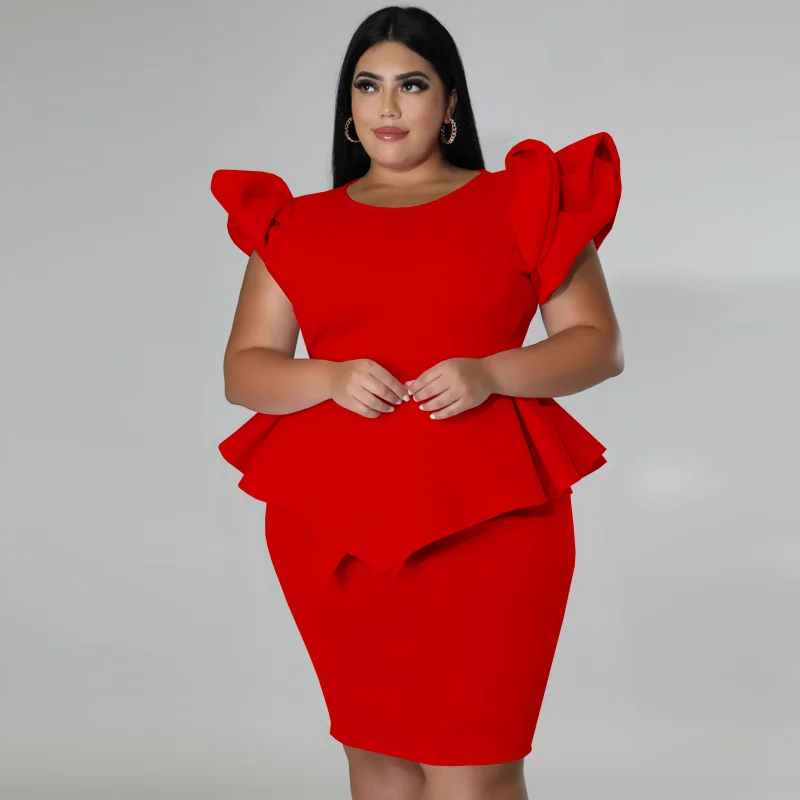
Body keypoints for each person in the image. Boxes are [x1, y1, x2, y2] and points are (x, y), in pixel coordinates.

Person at [210, 6, 623, 799]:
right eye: (368, 86)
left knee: (477, 770)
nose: (388, 106)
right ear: (349, 106)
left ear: (451, 102)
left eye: (412, 85)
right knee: (378, 763)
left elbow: (597, 344)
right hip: (333, 524)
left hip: (493, 517)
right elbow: (245, 371)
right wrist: (328, 379)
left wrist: (491, 373)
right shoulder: (295, 224)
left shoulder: (522, 202)